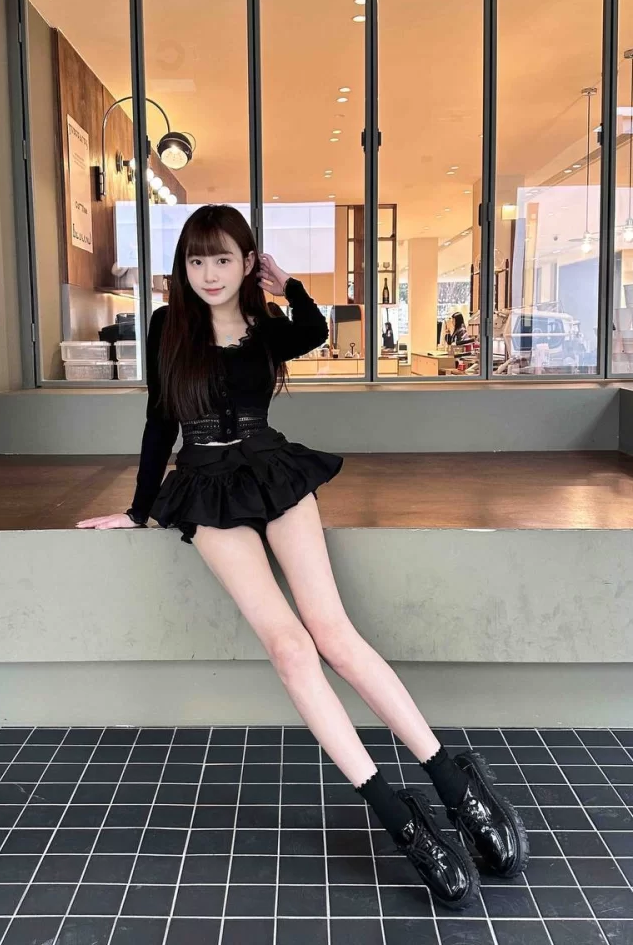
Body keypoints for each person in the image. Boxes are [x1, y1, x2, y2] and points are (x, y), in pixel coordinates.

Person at [77, 205, 528, 909]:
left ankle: (454, 783)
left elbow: (316, 330)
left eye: (223, 258)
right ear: (182, 267)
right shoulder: (168, 328)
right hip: (205, 487)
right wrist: (138, 508)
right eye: (196, 260)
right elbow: (159, 423)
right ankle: (401, 821)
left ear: (246, 261)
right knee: (290, 649)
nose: (209, 273)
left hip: (272, 471)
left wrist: (286, 283)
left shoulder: (265, 327)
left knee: (334, 634)